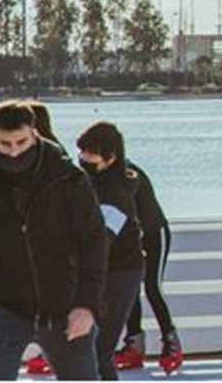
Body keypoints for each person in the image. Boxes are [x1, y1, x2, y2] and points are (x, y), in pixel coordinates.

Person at [0, 101, 107, 381]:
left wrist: (87, 305)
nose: (14, 151)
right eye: (5, 144)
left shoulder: (67, 178)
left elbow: (93, 241)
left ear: (35, 135)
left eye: (21, 142)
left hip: (65, 308)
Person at [76, 122, 145, 382]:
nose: (83, 158)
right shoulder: (88, 185)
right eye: (82, 151)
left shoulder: (116, 194)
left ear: (110, 157)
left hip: (120, 273)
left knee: (99, 349)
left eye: (90, 153)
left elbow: (102, 240)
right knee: (86, 349)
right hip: (100, 273)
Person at [115, 158, 183, 375]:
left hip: (154, 233)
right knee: (129, 287)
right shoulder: (100, 177)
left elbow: (139, 210)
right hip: (131, 238)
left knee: (152, 287)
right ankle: (134, 343)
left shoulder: (128, 173)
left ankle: (171, 342)